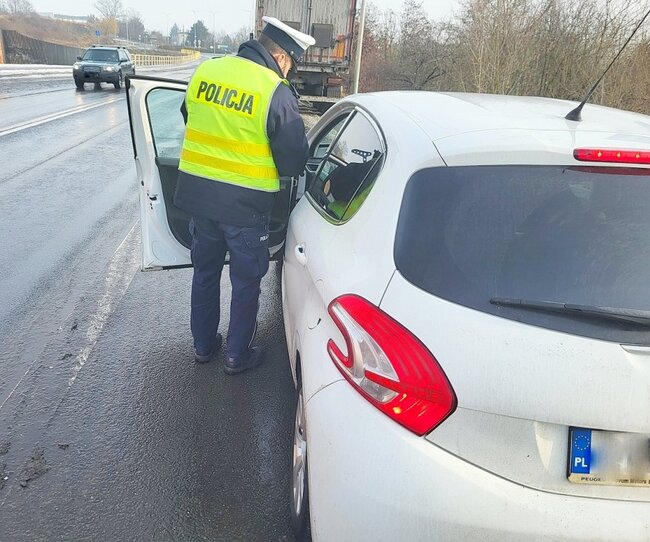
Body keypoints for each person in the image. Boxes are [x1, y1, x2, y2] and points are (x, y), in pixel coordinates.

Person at [174, 17, 314, 374]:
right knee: (246, 282)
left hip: (200, 200)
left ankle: (203, 346)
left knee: (205, 274)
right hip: (246, 209)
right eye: (290, 65)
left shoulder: (207, 71)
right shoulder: (274, 90)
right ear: (281, 58)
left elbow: (189, 116)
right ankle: (237, 355)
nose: (288, 72)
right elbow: (294, 161)